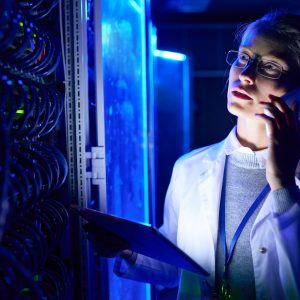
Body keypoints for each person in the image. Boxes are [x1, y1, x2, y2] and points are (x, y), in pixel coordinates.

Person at [86, 11, 300, 300]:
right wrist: (126, 249)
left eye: (271, 67)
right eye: (243, 58)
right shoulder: (190, 168)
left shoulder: (290, 178)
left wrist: (283, 185)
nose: (245, 76)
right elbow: (177, 267)